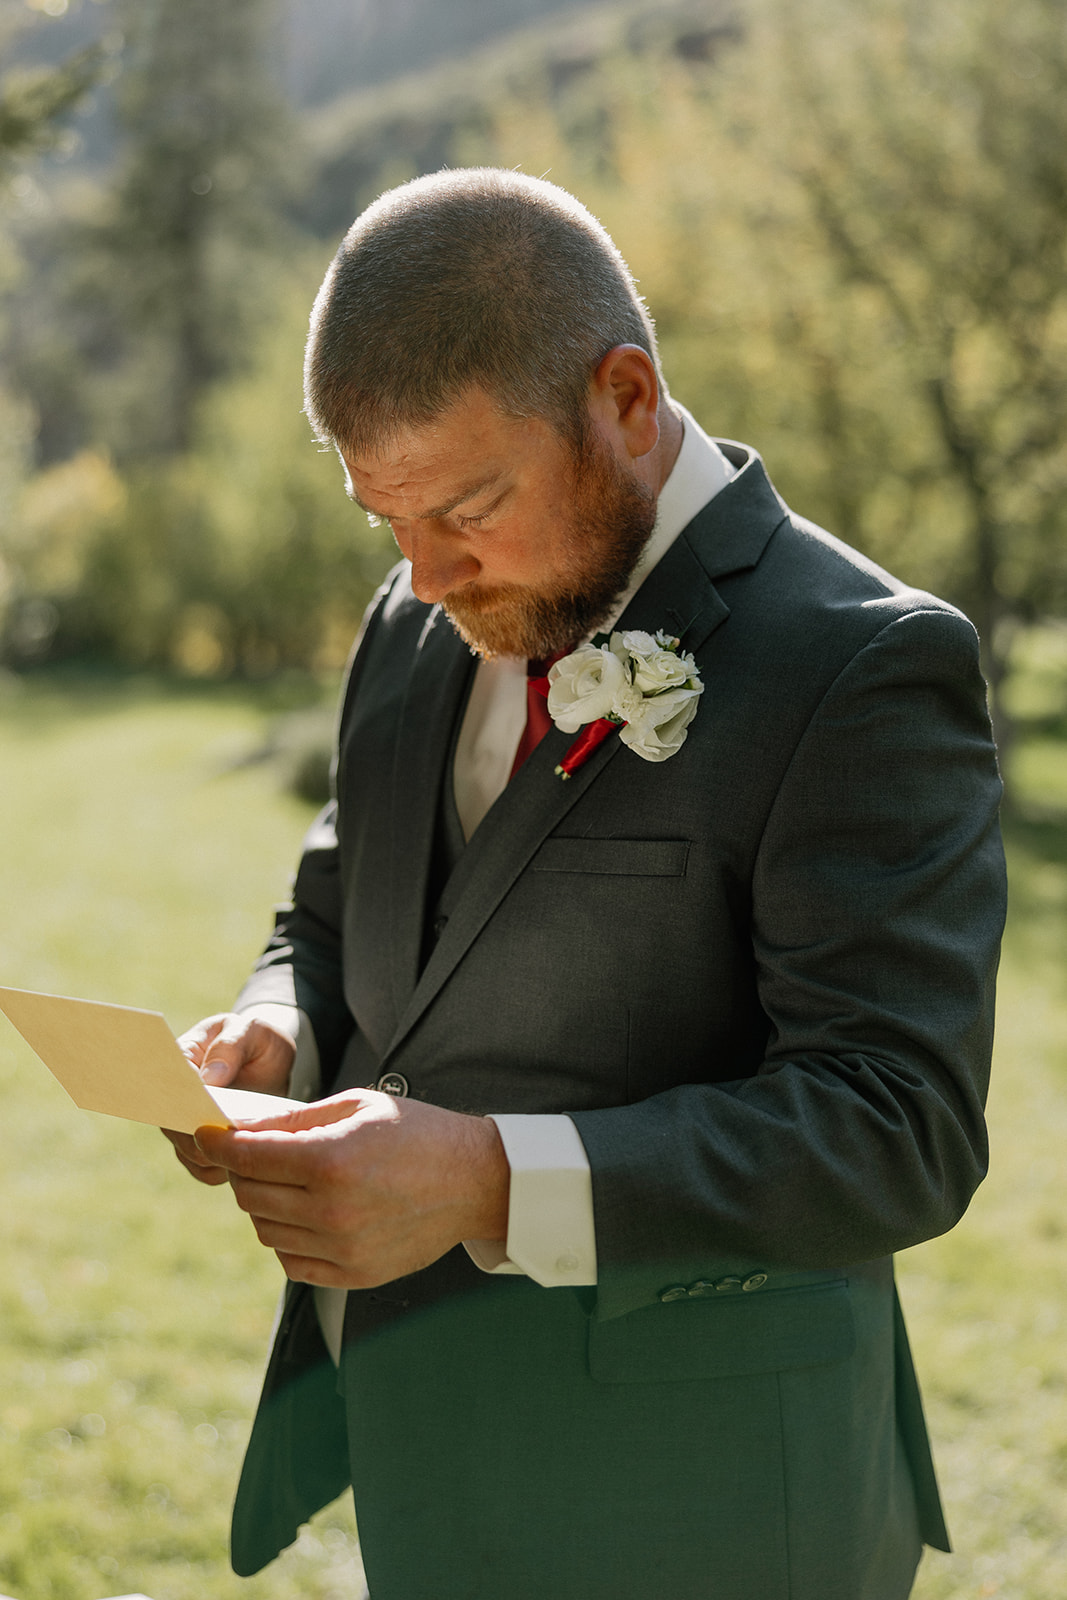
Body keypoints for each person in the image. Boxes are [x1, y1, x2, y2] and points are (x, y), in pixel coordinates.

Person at [166, 167, 1006, 1600]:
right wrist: (277, 1023)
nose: (427, 577)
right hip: (424, 1457)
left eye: (472, 505)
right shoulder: (419, 609)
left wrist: (486, 1179)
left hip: (715, 1503)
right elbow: (335, 893)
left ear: (624, 400)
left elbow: (896, 1125)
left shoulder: (862, 662)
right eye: (390, 524)